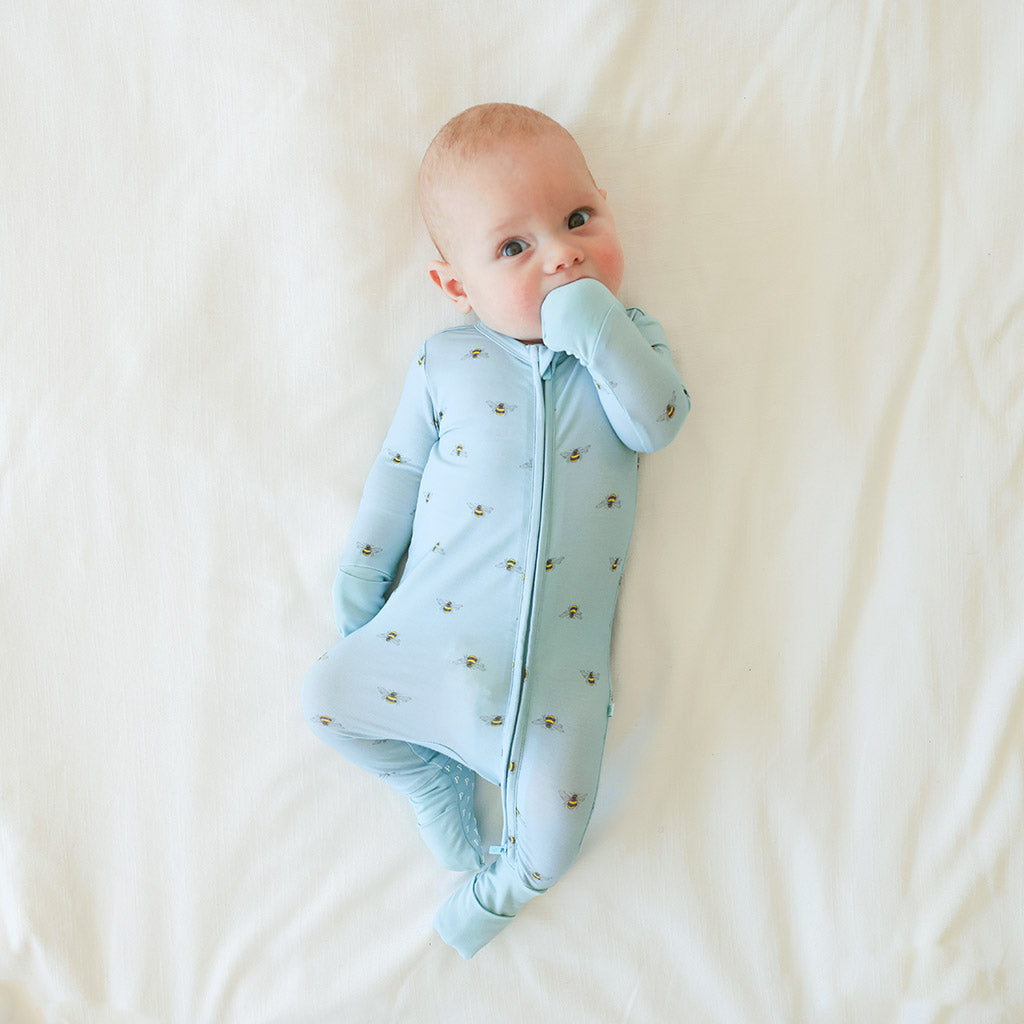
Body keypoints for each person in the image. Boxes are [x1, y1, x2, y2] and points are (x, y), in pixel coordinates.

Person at [301, 102, 690, 958]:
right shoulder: (447, 361)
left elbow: (658, 422)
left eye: (578, 219)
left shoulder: (628, 343)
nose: (562, 254)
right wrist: (363, 575)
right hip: (430, 643)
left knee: (554, 836)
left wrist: (601, 333)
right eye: (514, 247)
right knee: (326, 701)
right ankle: (430, 780)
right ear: (456, 286)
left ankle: (494, 895)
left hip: (556, 682)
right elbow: (398, 472)